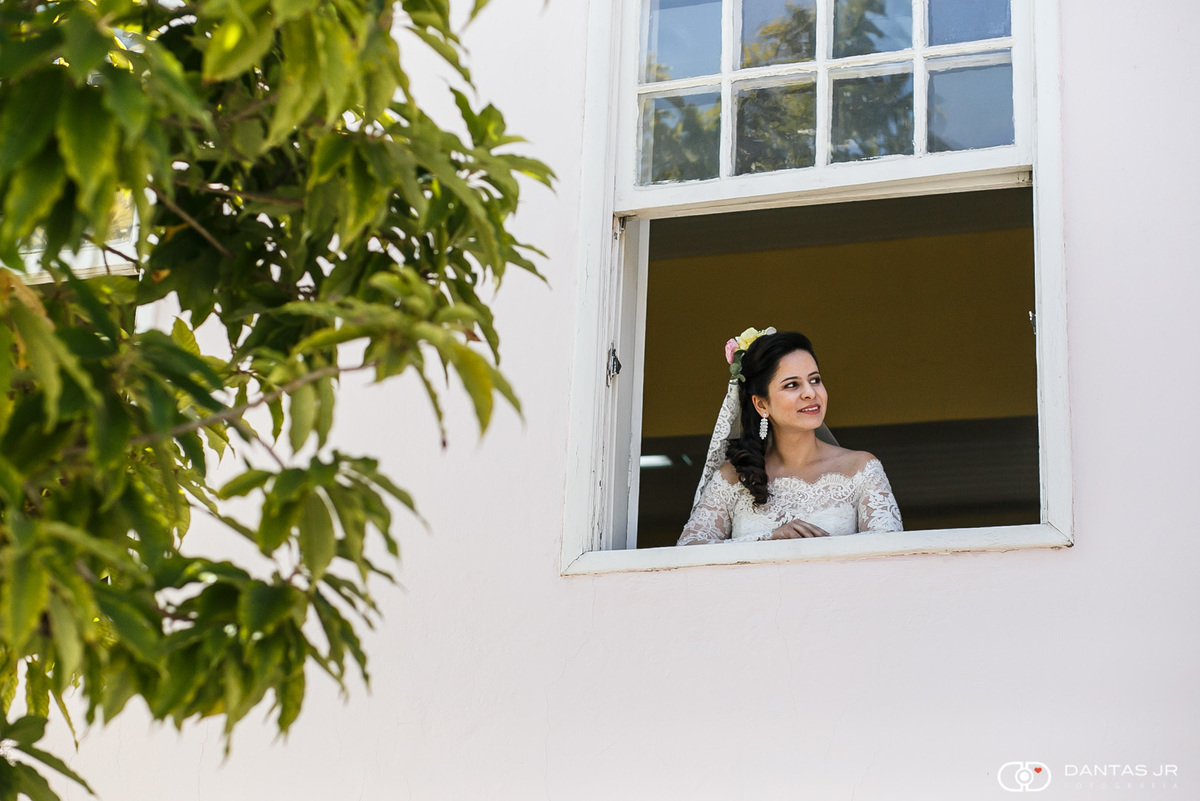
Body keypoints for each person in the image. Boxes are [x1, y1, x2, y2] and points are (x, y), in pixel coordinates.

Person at [678, 328, 902, 545]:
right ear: (761, 404)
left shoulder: (861, 468)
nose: (810, 393)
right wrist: (768, 538)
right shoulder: (731, 478)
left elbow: (890, 552)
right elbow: (688, 551)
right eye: (792, 385)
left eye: (815, 380)